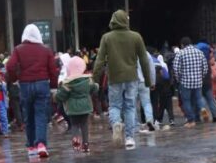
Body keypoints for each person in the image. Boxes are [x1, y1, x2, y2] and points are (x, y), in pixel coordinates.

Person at [91, 10, 153, 150]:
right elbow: (144, 60)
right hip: (131, 77)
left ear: (113, 21)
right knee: (130, 106)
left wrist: (95, 79)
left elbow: (100, 60)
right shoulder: (136, 37)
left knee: (115, 106)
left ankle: (116, 124)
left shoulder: (107, 38)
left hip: (114, 77)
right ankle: (130, 138)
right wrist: (148, 81)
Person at [6, 24, 59, 157]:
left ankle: (31, 146)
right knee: (40, 115)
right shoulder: (46, 50)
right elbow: (53, 70)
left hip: (25, 85)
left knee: (28, 116)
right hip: (42, 84)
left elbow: (10, 66)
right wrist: (53, 86)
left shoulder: (18, 49)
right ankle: (41, 144)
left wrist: (14, 78)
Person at [55, 56, 96, 153]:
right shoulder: (88, 81)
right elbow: (95, 88)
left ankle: (76, 140)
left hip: (72, 109)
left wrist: (55, 97)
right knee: (84, 125)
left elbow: (61, 96)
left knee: (74, 125)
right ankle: (85, 144)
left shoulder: (67, 84)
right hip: (86, 107)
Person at [173, 36, 209, 128]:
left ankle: (191, 120)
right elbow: (205, 67)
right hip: (198, 81)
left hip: (185, 82)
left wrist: (178, 79)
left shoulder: (180, 53)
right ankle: (203, 108)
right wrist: (201, 76)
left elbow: (176, 69)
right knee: (198, 98)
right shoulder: (199, 52)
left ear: (182, 45)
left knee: (186, 101)